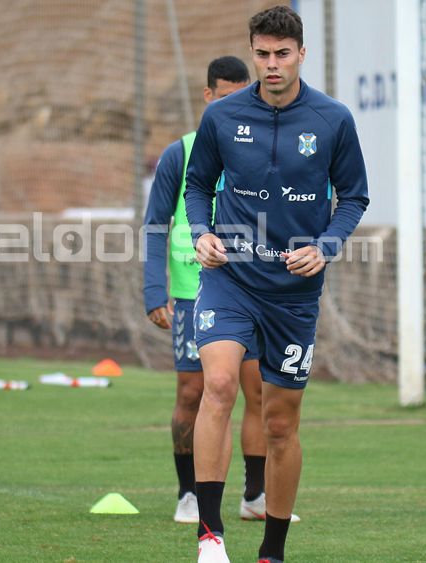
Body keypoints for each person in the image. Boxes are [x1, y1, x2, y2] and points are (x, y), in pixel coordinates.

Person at [184, 6, 368, 562]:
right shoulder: (222, 117)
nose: (271, 65)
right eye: (261, 54)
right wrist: (200, 233)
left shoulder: (333, 119)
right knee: (217, 385)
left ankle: (272, 551)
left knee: (280, 424)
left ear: (301, 55)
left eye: (281, 54)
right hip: (229, 278)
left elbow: (354, 197)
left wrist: (326, 246)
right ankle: (210, 536)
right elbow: (198, 186)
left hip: (292, 295)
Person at [144, 56, 298, 525]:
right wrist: (155, 288)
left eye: (240, 96)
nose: (233, 106)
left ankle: (254, 495)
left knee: (258, 392)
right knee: (198, 391)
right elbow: (156, 223)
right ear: (208, 98)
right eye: (224, 97)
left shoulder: (262, 148)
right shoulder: (182, 152)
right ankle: (188, 492)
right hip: (194, 291)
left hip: (251, 286)